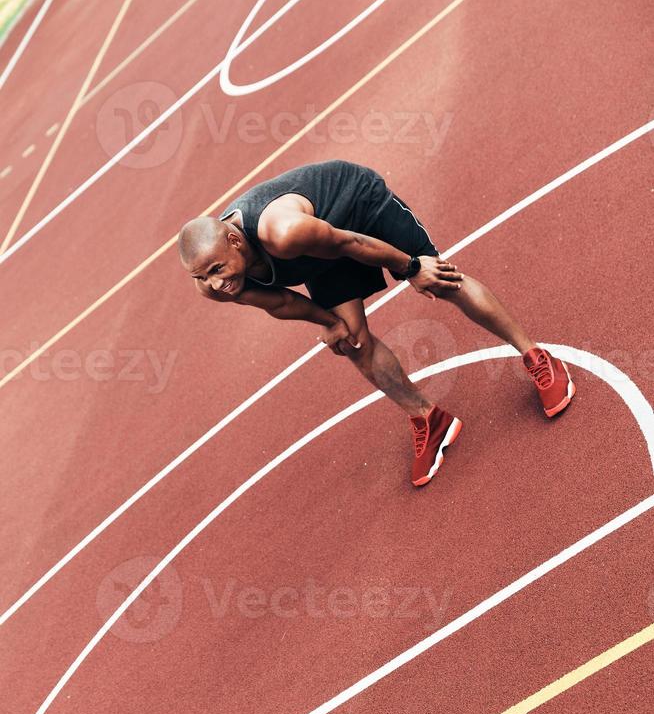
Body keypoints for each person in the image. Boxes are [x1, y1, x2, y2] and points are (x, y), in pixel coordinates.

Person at [178, 159, 575, 487]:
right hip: (320, 249)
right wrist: (328, 322)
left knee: (442, 281)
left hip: (357, 209)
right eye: (202, 276)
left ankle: (537, 356)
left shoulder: (281, 231)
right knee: (352, 340)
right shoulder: (213, 284)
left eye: (216, 269)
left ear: (234, 241)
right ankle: (428, 418)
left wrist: (413, 267)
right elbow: (279, 302)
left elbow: (350, 243)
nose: (216, 283)